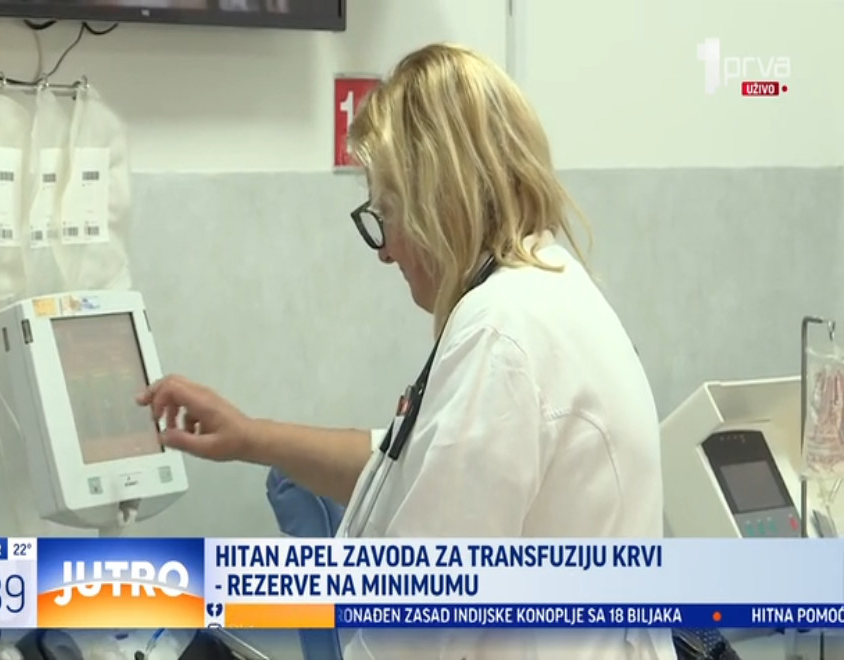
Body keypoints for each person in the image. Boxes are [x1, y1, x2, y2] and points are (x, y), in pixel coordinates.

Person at [137, 43, 677, 659]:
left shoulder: (501, 335)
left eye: (385, 215)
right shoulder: (548, 289)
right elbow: (411, 467)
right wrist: (249, 437)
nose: (385, 251)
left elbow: (418, 627)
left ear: (437, 202)